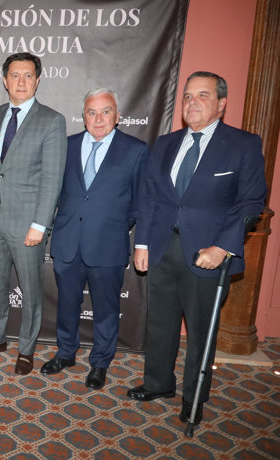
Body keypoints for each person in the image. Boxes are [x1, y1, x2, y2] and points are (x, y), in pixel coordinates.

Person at [128, 71, 266, 425]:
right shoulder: (165, 144)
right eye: (188, 96)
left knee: (201, 331)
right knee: (160, 324)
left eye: (202, 95)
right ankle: (158, 383)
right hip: (161, 248)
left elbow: (251, 202)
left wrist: (222, 247)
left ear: (221, 104)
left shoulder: (243, 144)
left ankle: (194, 397)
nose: (192, 102)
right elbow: (149, 197)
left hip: (208, 255)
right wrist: (142, 242)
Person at [42, 89, 148, 389]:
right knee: (66, 304)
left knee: (106, 309)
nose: (98, 119)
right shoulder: (67, 145)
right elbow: (55, 191)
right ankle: (65, 353)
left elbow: (141, 203)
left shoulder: (136, 150)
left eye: (105, 111)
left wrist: (113, 226)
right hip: (67, 242)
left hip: (108, 244)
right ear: (83, 116)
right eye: (92, 112)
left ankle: (100, 362)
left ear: (118, 115)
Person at [0, 52, 67, 375]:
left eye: (27, 75)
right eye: (15, 75)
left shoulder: (51, 120)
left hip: (28, 223)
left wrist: (40, 224)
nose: (21, 82)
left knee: (30, 290)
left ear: (37, 80)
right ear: (4, 80)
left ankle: (27, 348)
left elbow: (52, 179)